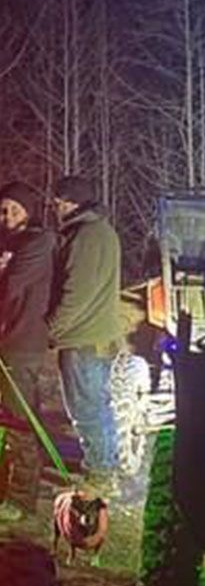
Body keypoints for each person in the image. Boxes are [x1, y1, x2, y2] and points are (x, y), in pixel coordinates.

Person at [47, 175, 121, 491]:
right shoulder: (97, 232)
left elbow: (76, 293)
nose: (55, 207)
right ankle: (105, 467)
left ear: (73, 202)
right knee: (96, 406)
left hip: (83, 338)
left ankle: (101, 474)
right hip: (95, 336)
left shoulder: (88, 236)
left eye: (59, 201)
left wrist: (50, 329)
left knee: (86, 409)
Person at [0, 181, 56, 521]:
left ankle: (22, 498)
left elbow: (11, 286)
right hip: (9, 343)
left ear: (29, 211)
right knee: (8, 418)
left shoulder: (38, 242)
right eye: (2, 210)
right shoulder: (11, 243)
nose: (6, 216)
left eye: (14, 209)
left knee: (21, 419)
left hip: (22, 344)